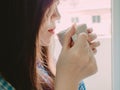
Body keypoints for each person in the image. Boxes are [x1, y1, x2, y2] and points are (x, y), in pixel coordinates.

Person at [0, 0, 100, 90]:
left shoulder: (40, 64)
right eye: (50, 8)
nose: (58, 15)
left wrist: (75, 70)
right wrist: (69, 78)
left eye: (57, 5)